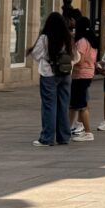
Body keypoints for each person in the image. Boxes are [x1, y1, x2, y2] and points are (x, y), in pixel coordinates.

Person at [29, 11, 80, 147]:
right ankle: (64, 136)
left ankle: (47, 137)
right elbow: (76, 57)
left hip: (48, 74)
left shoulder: (45, 38)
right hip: (65, 75)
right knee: (63, 105)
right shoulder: (68, 37)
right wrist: (67, 64)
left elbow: (35, 54)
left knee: (49, 106)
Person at [69, 16, 98, 142]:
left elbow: (78, 59)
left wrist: (68, 63)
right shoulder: (91, 41)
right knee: (74, 105)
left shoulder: (81, 42)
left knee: (81, 105)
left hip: (80, 74)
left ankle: (88, 132)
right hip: (87, 74)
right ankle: (67, 128)